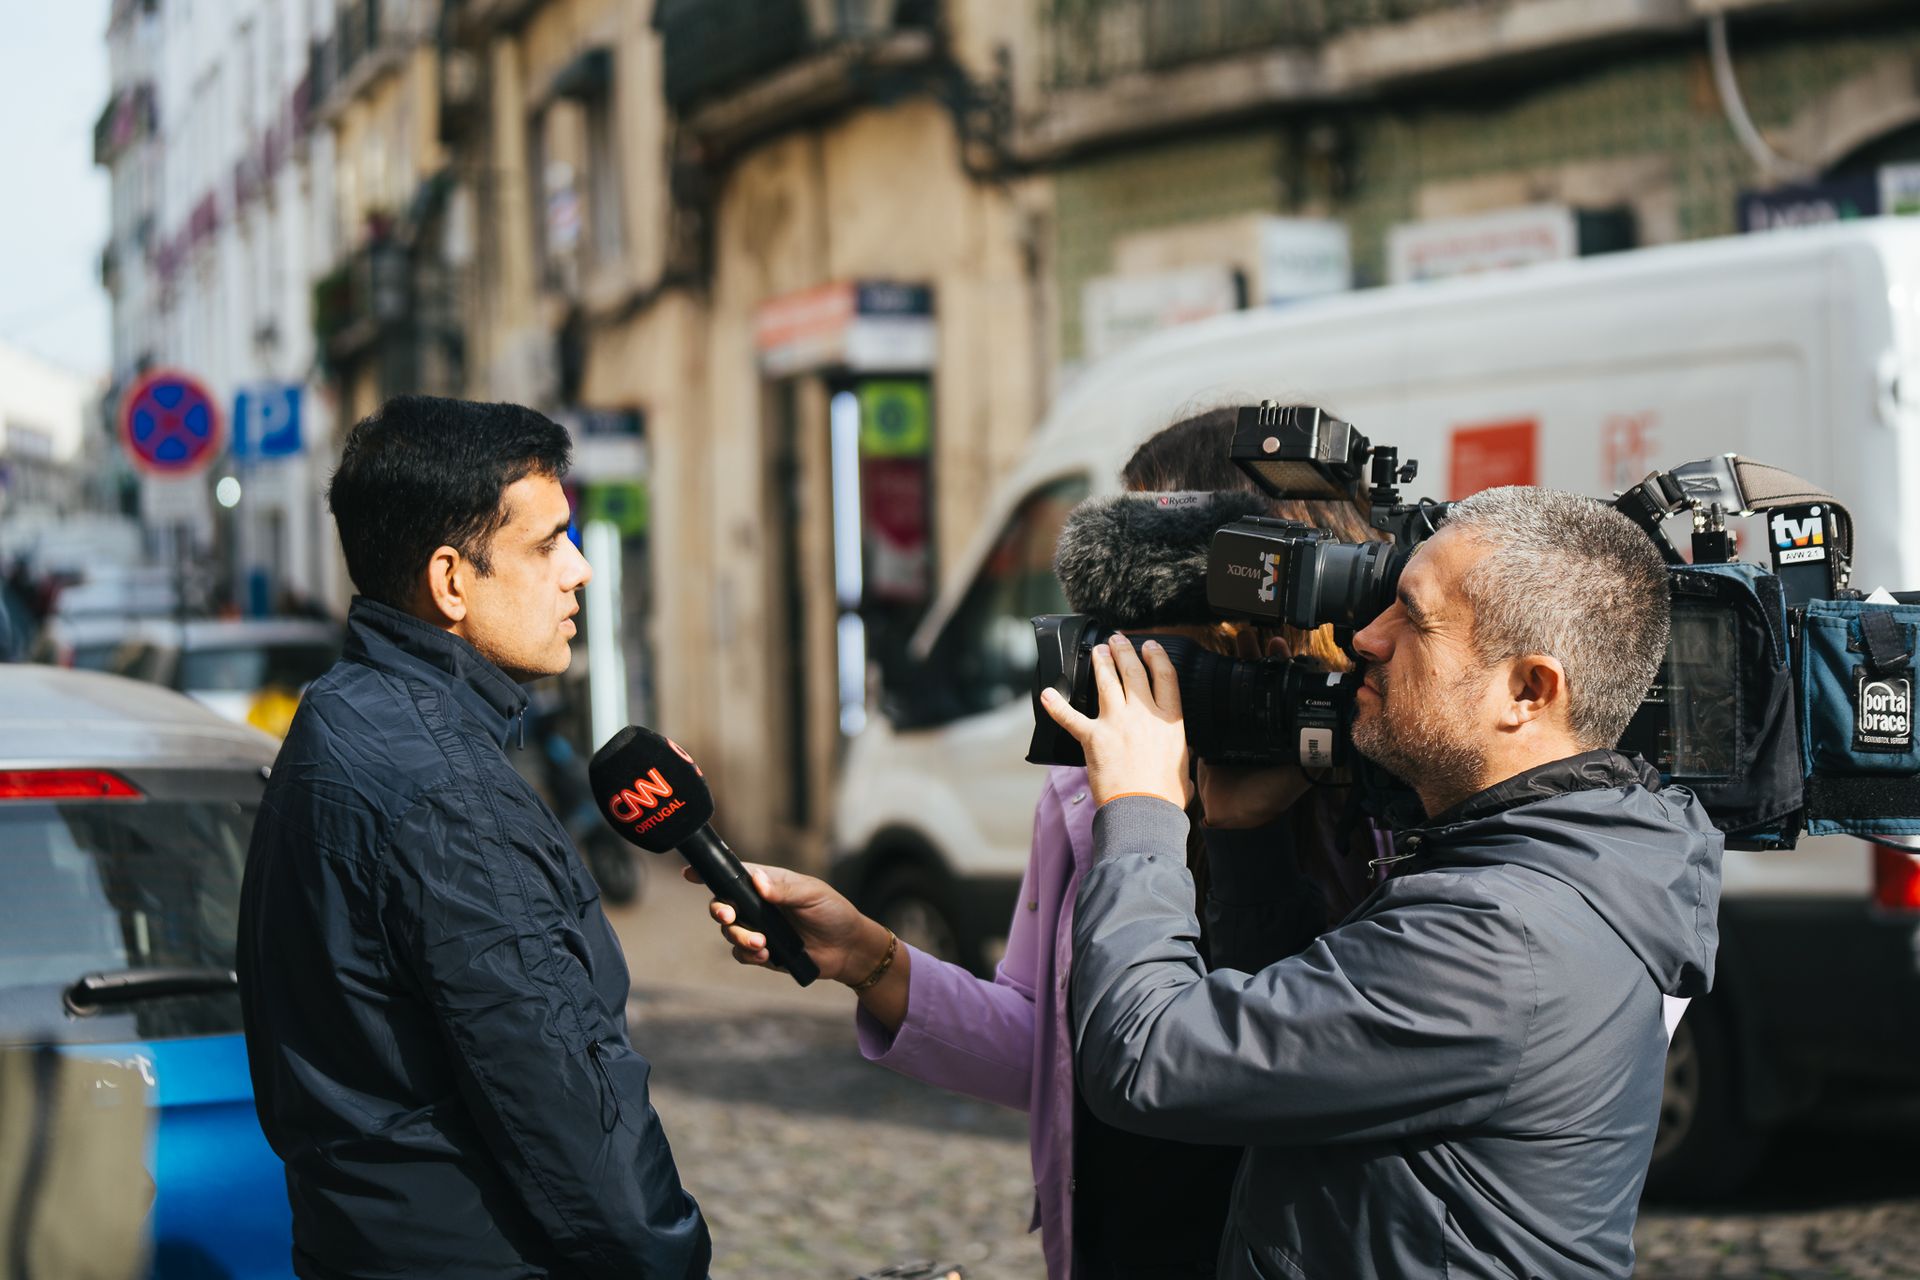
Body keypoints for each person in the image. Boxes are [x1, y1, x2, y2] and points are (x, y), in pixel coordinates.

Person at [699, 408, 1382, 1279]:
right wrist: (866, 956)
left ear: (1270, 588)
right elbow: (1048, 1047)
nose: (1118, 628)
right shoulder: (1085, 789)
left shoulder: (1380, 789)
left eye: (1156, 582)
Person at [1042, 485, 1722, 1279]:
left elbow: (1146, 1054)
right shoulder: (1554, 867)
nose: (1366, 637)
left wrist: (1142, 810)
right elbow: (1297, 1036)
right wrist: (1249, 840)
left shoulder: (1498, 939)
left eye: (1414, 618)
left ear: (1528, 691)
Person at [236, 396, 710, 1279]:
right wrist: (673, 1258)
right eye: (547, 544)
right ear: (451, 580)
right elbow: (573, 1125)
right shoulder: (451, 799)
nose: (578, 571)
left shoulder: (336, 715)